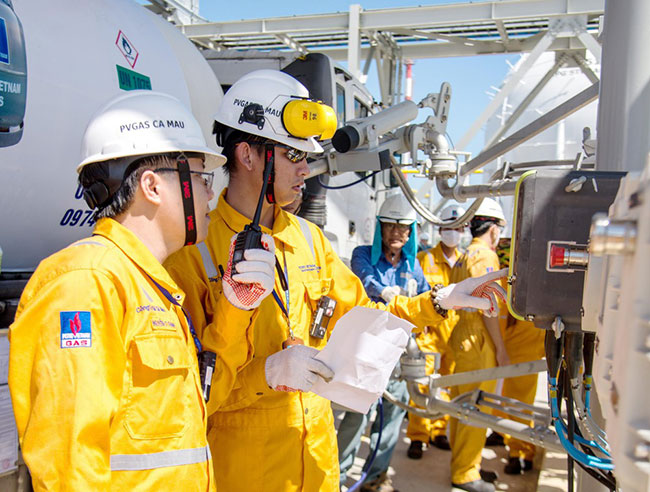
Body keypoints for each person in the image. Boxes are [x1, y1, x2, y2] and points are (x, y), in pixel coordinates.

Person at [164, 69, 508, 492]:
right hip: (247, 474)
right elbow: (188, 396)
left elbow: (367, 316)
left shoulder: (309, 240)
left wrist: (441, 300)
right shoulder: (194, 255)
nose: (305, 168)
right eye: (293, 154)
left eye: (307, 156)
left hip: (318, 465)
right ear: (247, 155)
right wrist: (265, 373)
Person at [8, 91, 276, 491]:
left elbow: (200, 404)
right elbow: (70, 461)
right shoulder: (86, 283)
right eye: (201, 178)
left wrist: (237, 307)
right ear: (152, 185)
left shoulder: (154, 288)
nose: (209, 195)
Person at [337, 193, 430, 492]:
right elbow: (364, 278)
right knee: (356, 415)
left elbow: (425, 296)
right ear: (380, 227)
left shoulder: (414, 267)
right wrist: (384, 291)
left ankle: (375, 477)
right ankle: (337, 477)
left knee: (392, 417)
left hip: (400, 354)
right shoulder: (362, 254)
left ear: (411, 233)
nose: (397, 233)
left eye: (403, 228)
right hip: (368, 351)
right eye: (390, 225)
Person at [447, 198, 510, 492]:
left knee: (462, 404)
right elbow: (489, 308)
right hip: (478, 338)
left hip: (462, 333)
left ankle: (464, 464)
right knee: (475, 407)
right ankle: (465, 473)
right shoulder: (485, 257)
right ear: (493, 229)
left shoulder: (464, 255)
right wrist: (500, 348)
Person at [406, 204, 466, 459]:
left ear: (464, 230)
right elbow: (414, 292)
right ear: (440, 230)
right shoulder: (424, 258)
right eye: (448, 227)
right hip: (428, 335)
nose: (453, 232)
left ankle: (439, 430)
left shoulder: (465, 261)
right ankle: (418, 435)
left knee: (447, 384)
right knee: (421, 384)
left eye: (458, 227)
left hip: (454, 334)